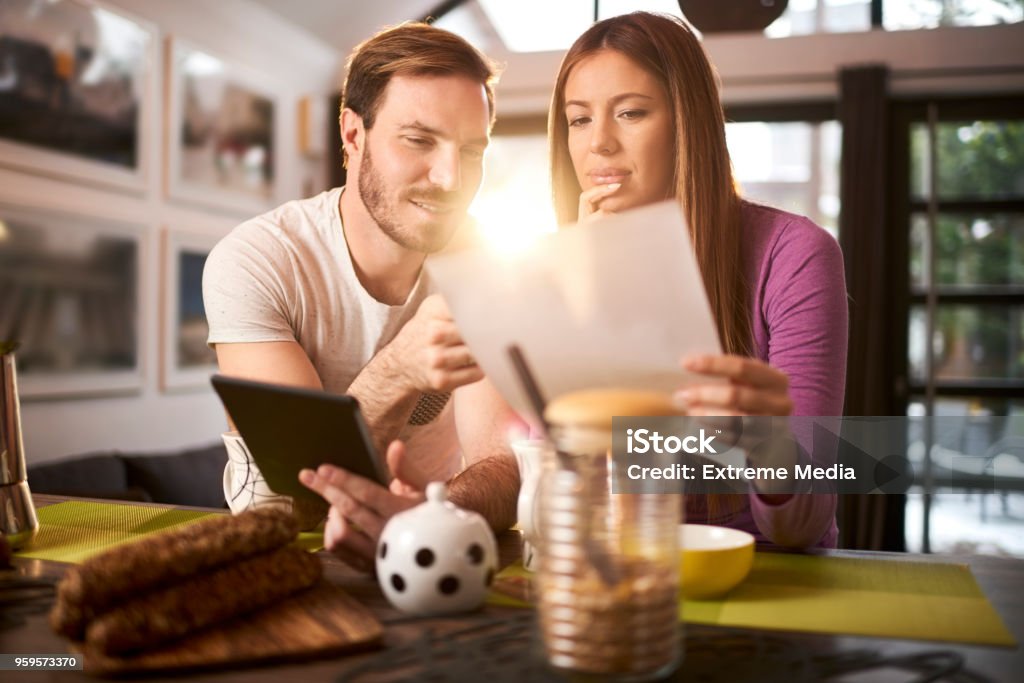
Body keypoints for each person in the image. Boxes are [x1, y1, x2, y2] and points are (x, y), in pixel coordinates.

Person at [203, 23, 522, 571]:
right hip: (282, 564)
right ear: (353, 135)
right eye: (420, 140)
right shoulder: (258, 260)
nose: (451, 180)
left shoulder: (485, 264)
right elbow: (287, 502)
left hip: (434, 549)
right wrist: (400, 368)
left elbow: (504, 464)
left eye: (471, 150)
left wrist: (430, 514)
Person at [548, 12, 848, 548]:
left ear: (688, 122)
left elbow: (801, 526)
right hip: (629, 578)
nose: (600, 144)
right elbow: (567, 499)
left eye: (631, 112)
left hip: (772, 581)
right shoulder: (560, 274)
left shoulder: (795, 254)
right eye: (578, 120)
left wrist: (768, 447)